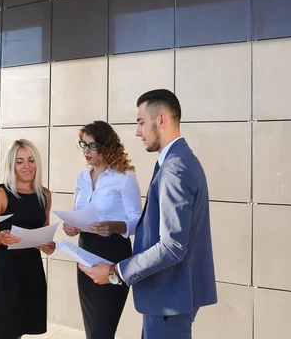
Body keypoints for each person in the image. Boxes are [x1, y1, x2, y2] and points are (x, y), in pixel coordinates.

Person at [79, 89, 217, 339]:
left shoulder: (174, 168)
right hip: (168, 296)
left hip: (168, 297)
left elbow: (173, 245)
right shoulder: (177, 160)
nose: (137, 132)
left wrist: (116, 271)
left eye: (141, 122)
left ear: (161, 119)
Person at [63, 120, 142, 339]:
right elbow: (77, 213)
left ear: (105, 146)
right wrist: (71, 226)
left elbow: (137, 221)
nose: (86, 151)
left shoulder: (124, 178)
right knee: (92, 330)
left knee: (102, 329)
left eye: (92, 145)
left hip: (113, 255)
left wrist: (114, 226)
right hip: (85, 253)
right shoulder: (82, 178)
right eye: (83, 144)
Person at [0, 139, 55, 339]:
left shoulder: (45, 195)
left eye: (31, 160)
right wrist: (0, 238)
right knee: (0, 332)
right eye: (20, 161)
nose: (27, 166)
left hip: (32, 273)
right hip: (4, 274)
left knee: (19, 332)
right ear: (11, 165)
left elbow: (44, 233)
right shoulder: (0, 195)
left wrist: (49, 246)